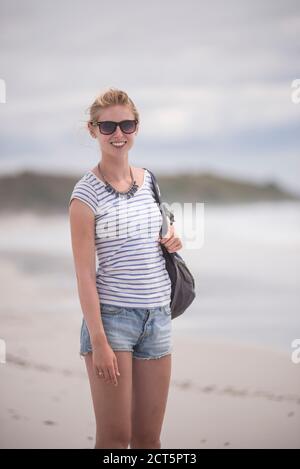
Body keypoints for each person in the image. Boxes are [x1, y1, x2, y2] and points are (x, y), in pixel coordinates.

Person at [68, 87, 182, 449]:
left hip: (159, 317)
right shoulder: (84, 197)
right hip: (113, 321)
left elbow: (155, 233)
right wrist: (99, 341)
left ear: (136, 127)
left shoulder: (148, 180)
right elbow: (85, 275)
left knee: (148, 439)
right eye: (108, 127)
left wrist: (172, 238)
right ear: (93, 130)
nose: (119, 134)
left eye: (127, 125)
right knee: (115, 440)